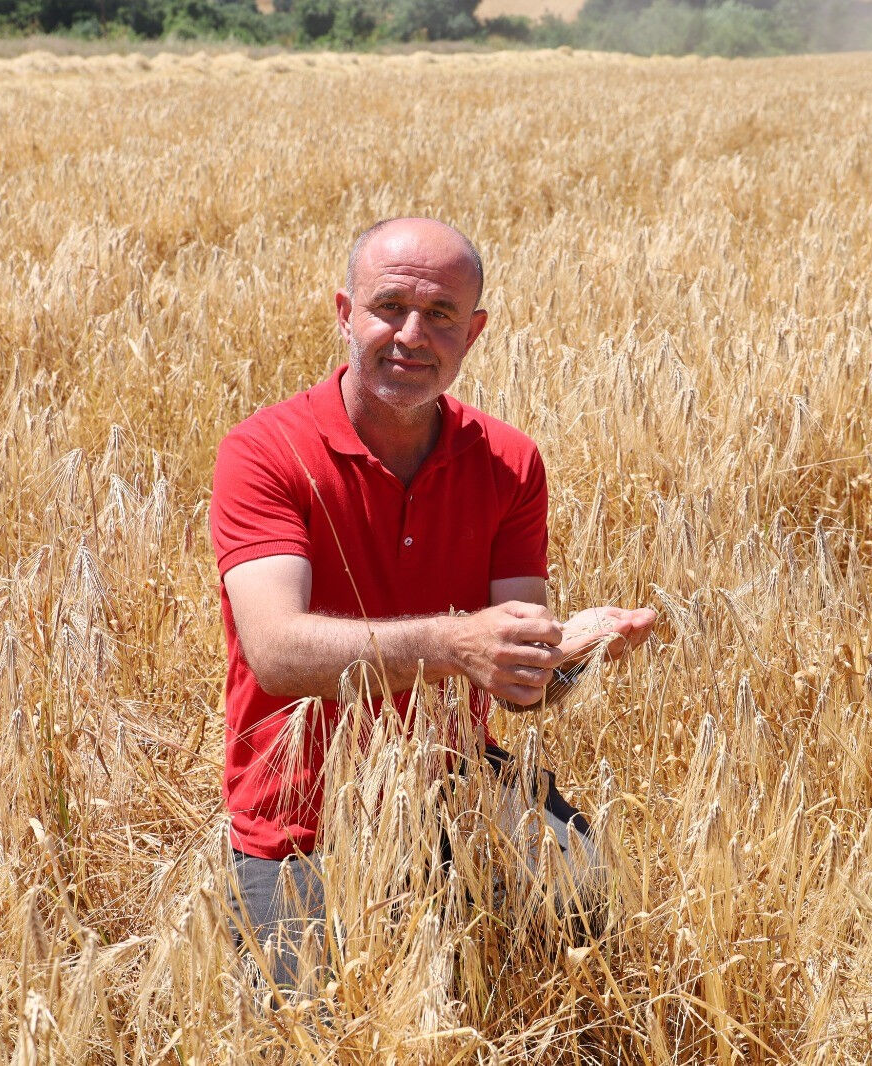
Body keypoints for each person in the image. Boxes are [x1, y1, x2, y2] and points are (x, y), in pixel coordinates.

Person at [208, 217, 657, 982]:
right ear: (344, 312)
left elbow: (517, 691)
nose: (412, 335)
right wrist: (461, 645)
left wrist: (569, 652)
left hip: (453, 787)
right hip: (298, 815)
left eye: (442, 314)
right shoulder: (263, 452)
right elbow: (277, 652)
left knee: (591, 932)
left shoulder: (509, 461)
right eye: (390, 308)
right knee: (308, 1033)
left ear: (473, 333)